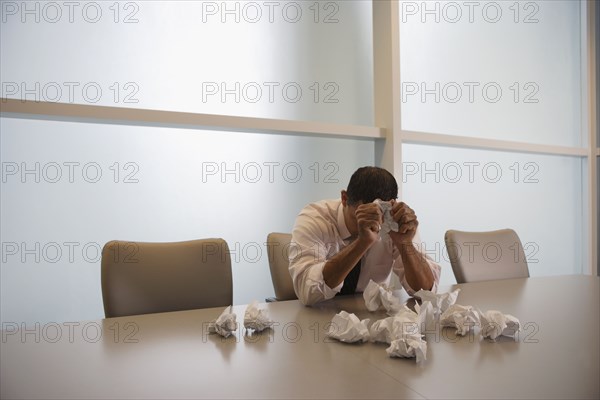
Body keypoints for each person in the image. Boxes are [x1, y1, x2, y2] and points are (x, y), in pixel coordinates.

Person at [289, 166, 441, 306]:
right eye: (362, 216)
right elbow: (306, 292)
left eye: (379, 218)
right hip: (318, 313)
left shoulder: (394, 221)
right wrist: (362, 242)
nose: (374, 225)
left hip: (372, 315)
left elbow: (426, 292)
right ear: (344, 199)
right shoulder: (315, 219)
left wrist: (405, 244)